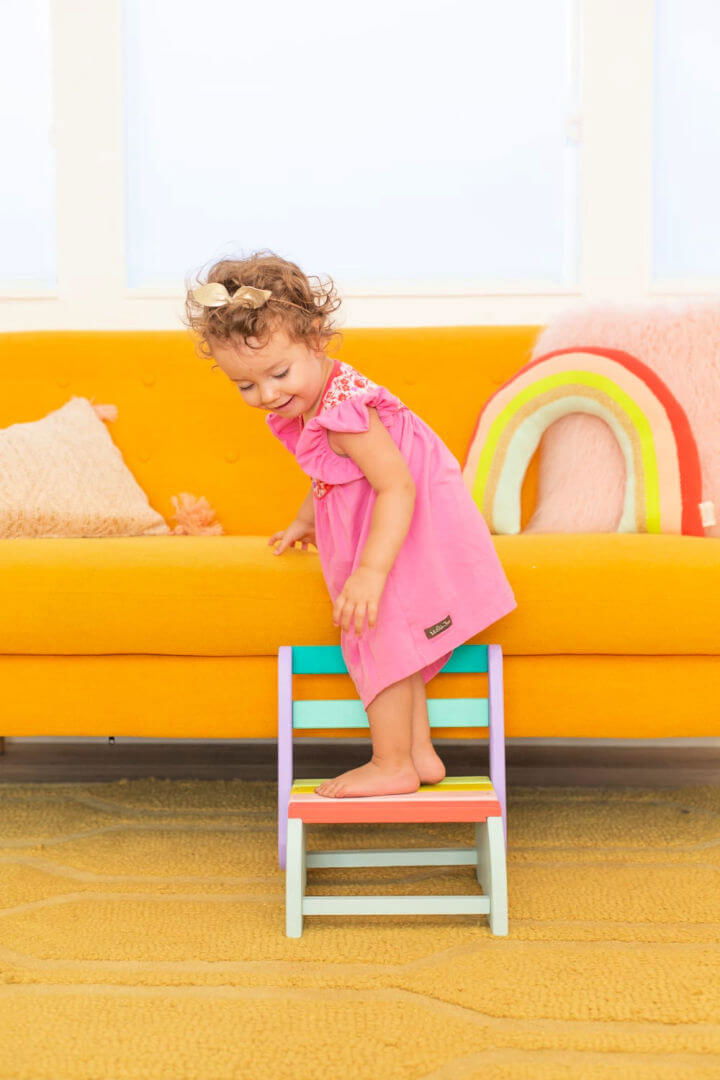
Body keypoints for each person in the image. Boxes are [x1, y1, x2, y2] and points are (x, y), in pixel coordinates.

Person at [184, 250, 517, 799]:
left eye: (278, 373)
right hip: (396, 528)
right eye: (246, 386)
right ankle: (419, 754)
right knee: (398, 639)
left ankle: (391, 765)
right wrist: (302, 520)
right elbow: (329, 476)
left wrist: (369, 571)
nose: (267, 395)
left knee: (377, 638)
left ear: (316, 339)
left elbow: (396, 486)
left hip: (404, 532)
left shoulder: (347, 415)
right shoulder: (322, 398)